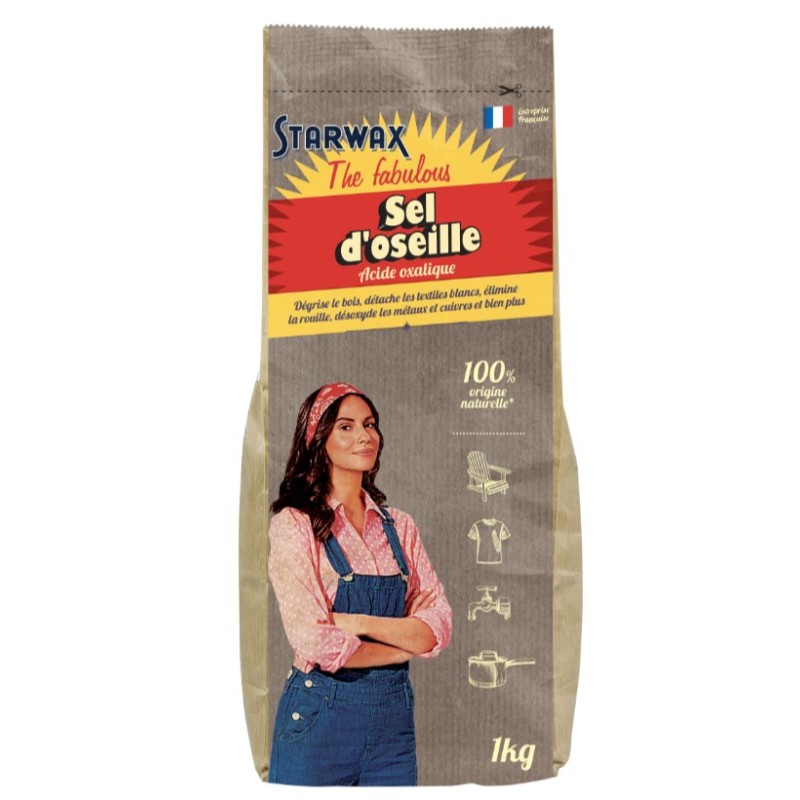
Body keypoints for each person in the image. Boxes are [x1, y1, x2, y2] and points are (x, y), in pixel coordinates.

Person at [267, 382, 453, 786]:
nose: (365, 436)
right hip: (318, 723)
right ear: (319, 440)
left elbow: (437, 627)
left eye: (369, 424)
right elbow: (315, 642)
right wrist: (403, 644)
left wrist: (357, 623)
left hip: (392, 731)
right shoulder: (295, 526)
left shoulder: (400, 527)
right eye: (346, 427)